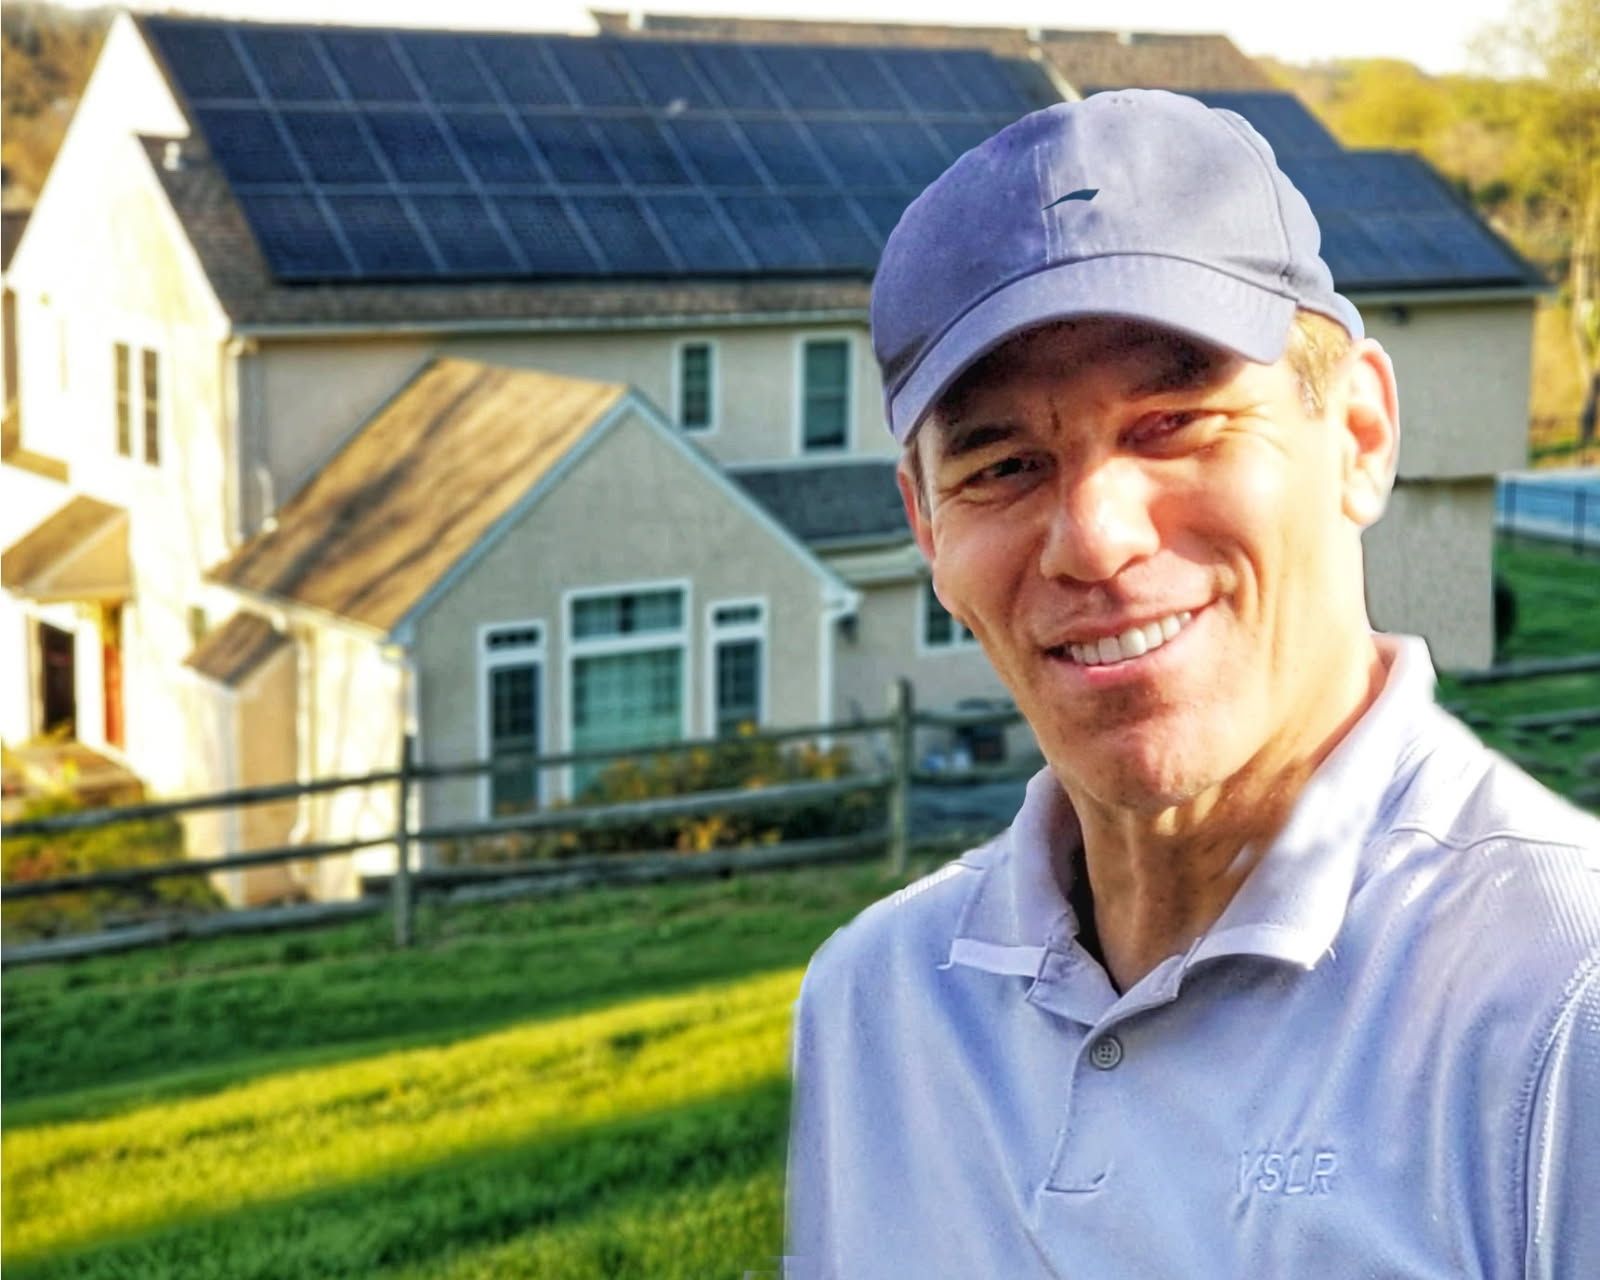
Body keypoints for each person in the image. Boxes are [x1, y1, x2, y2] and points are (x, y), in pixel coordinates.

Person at [783, 89, 1600, 1279]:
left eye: (1176, 423)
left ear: (1359, 435)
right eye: (1004, 464)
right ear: (923, 527)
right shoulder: (875, 1008)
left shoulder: (1561, 1006)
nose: (1093, 536)